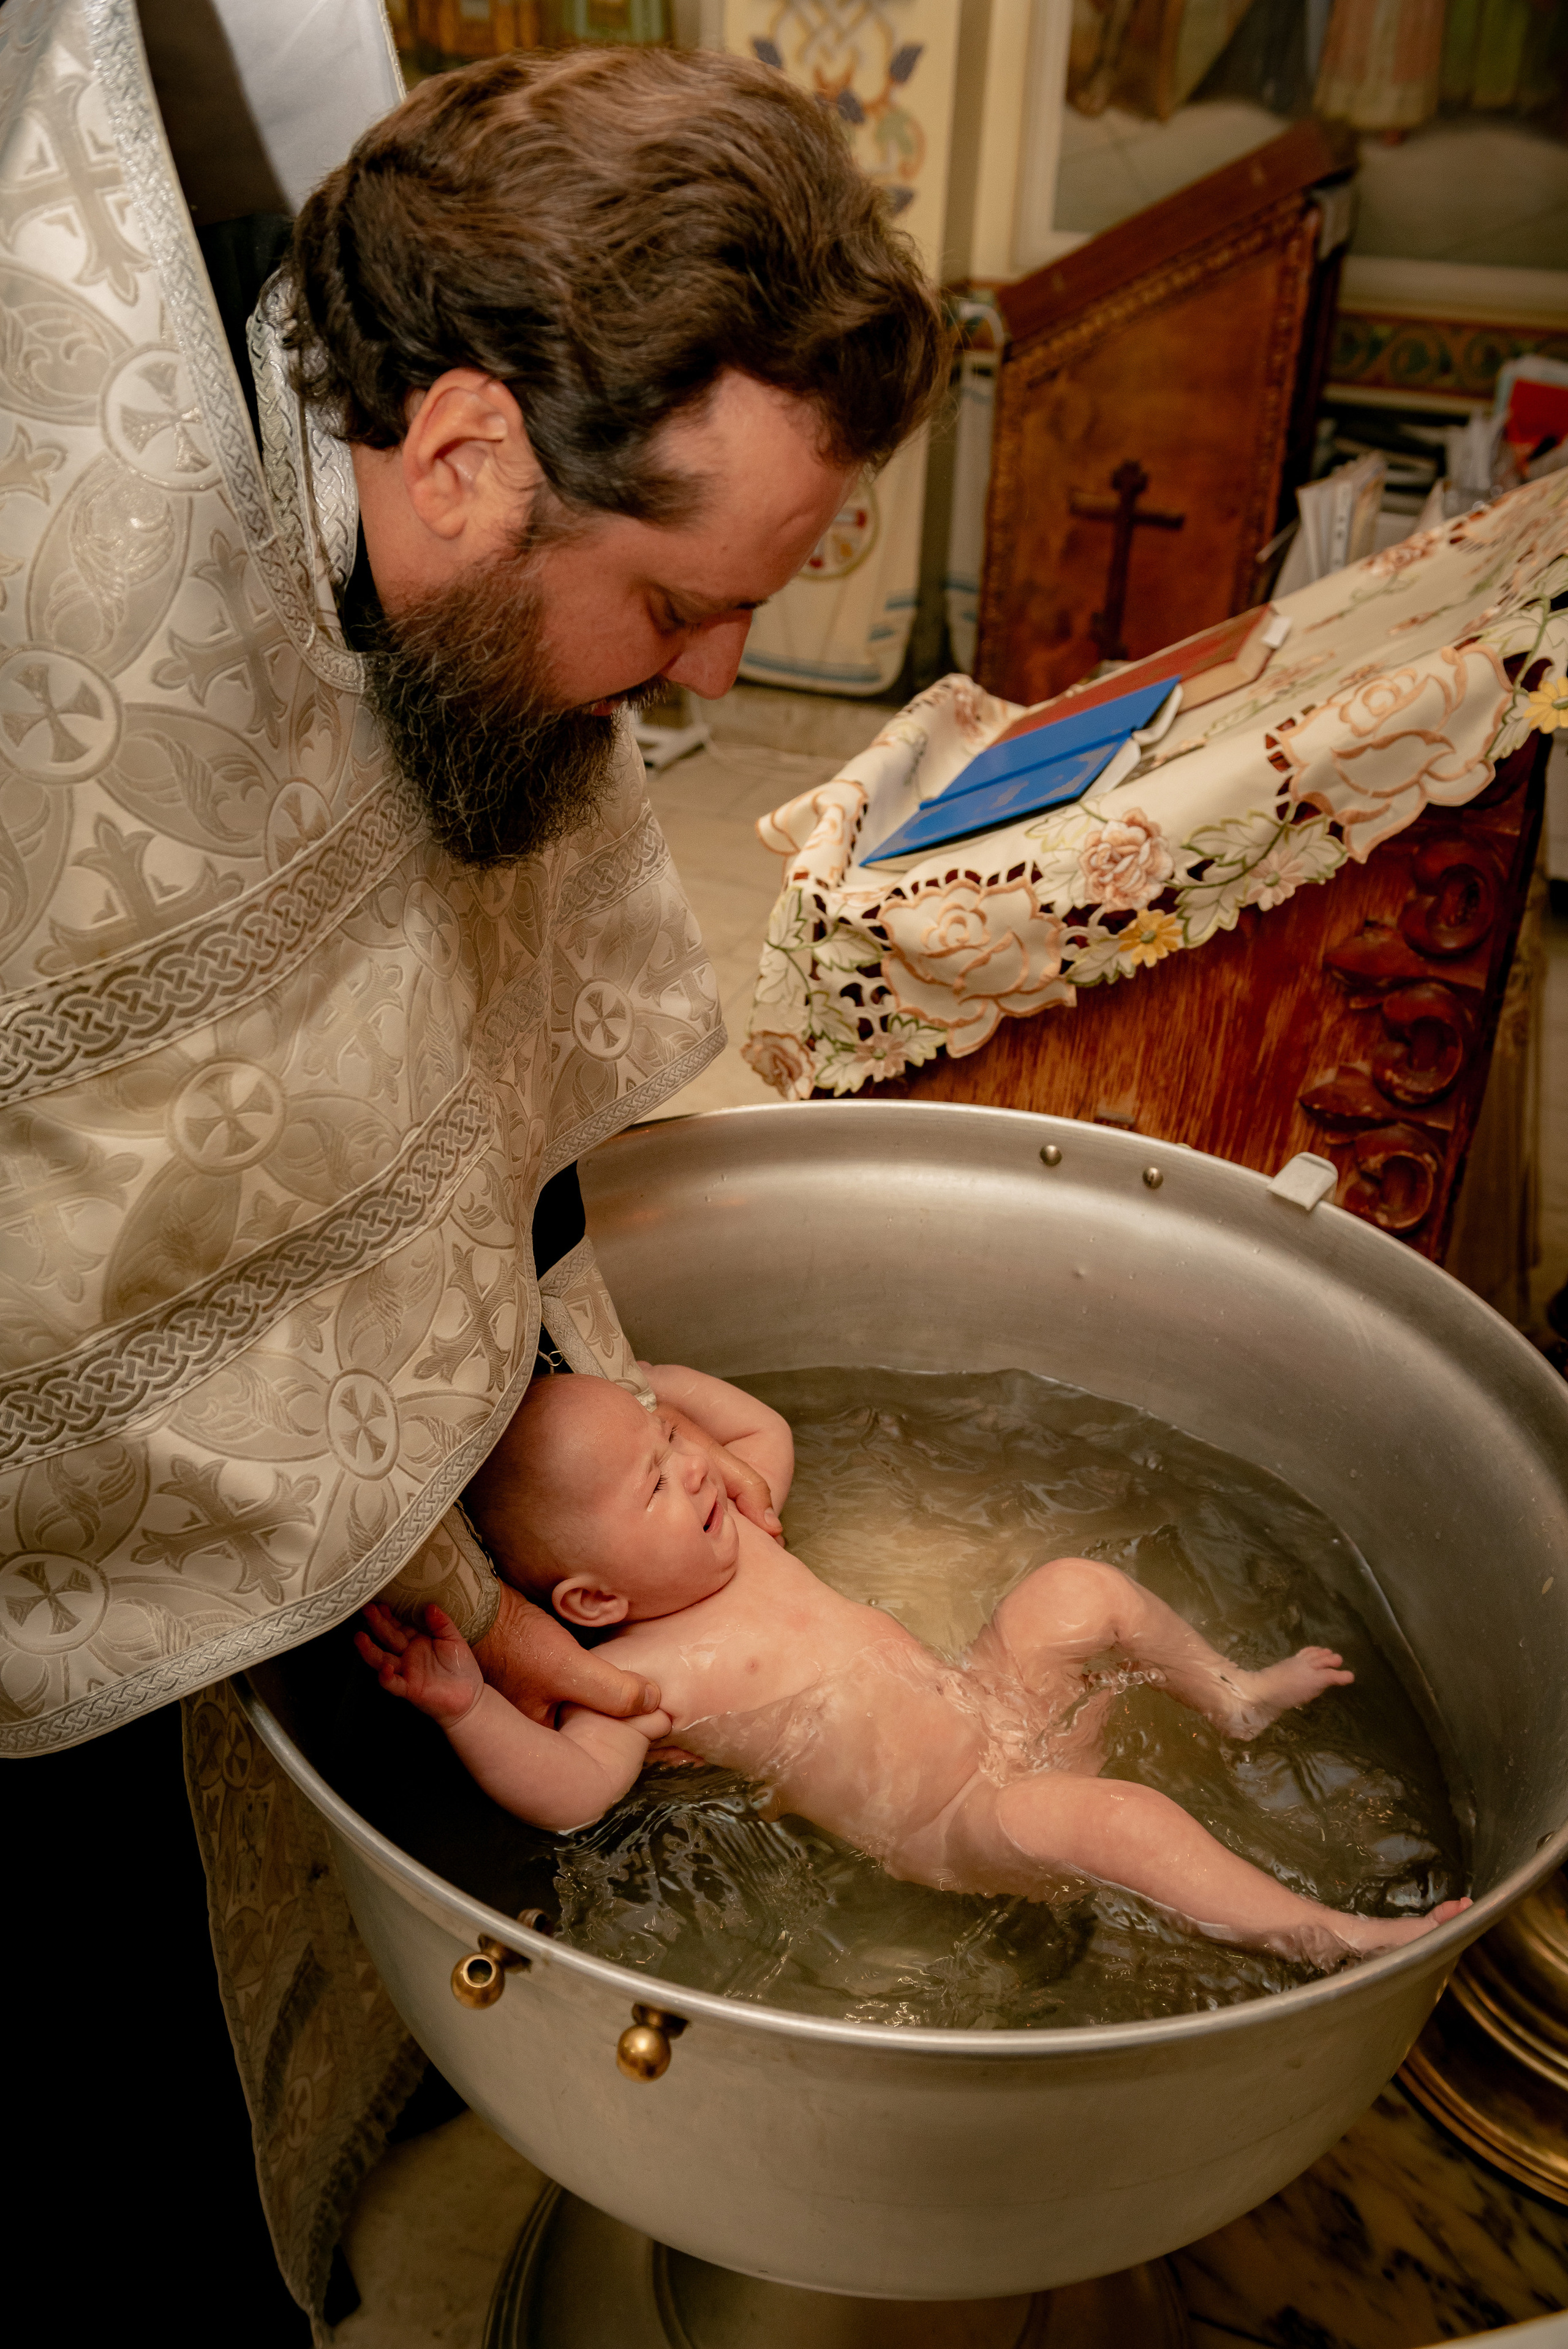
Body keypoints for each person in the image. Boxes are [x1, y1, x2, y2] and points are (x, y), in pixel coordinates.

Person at [1, 12, 946, 2330]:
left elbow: (490, 1047)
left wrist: (555, 1377)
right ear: (459, 451)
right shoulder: (63, 615)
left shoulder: (517, 613)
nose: (713, 679)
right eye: (684, 603)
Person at [358, 1367, 1471, 1967]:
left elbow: (766, 1433)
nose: (694, 1472)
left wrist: (652, 1385)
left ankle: (1226, 1692)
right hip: (957, 1820)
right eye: (653, 1486)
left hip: (989, 1704)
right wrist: (467, 1710)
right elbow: (572, 1792)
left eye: (671, 1448)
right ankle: (1322, 1933)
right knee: (1116, 1822)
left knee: (1072, 1588)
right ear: (594, 1601)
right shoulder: (649, 1674)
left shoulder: (742, 1527)